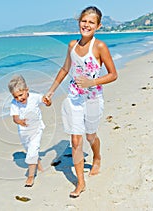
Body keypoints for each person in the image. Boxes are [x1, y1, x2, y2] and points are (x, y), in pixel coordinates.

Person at [43, 6, 118, 198]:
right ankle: (80, 182)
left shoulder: (100, 47)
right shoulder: (72, 46)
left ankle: (97, 157)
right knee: (76, 140)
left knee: (90, 136)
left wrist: (92, 82)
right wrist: (50, 92)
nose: (87, 25)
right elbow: (65, 69)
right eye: (84, 21)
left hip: (93, 100)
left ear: (98, 26)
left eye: (91, 22)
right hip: (74, 98)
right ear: (79, 22)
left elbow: (113, 75)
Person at [8, 74, 51, 187]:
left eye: (21, 95)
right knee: (30, 150)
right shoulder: (14, 103)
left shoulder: (34, 97)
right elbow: (15, 117)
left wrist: (48, 102)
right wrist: (19, 121)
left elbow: (45, 101)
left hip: (36, 129)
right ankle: (38, 163)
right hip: (23, 132)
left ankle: (30, 176)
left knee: (32, 151)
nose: (19, 99)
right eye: (15, 97)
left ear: (27, 90)